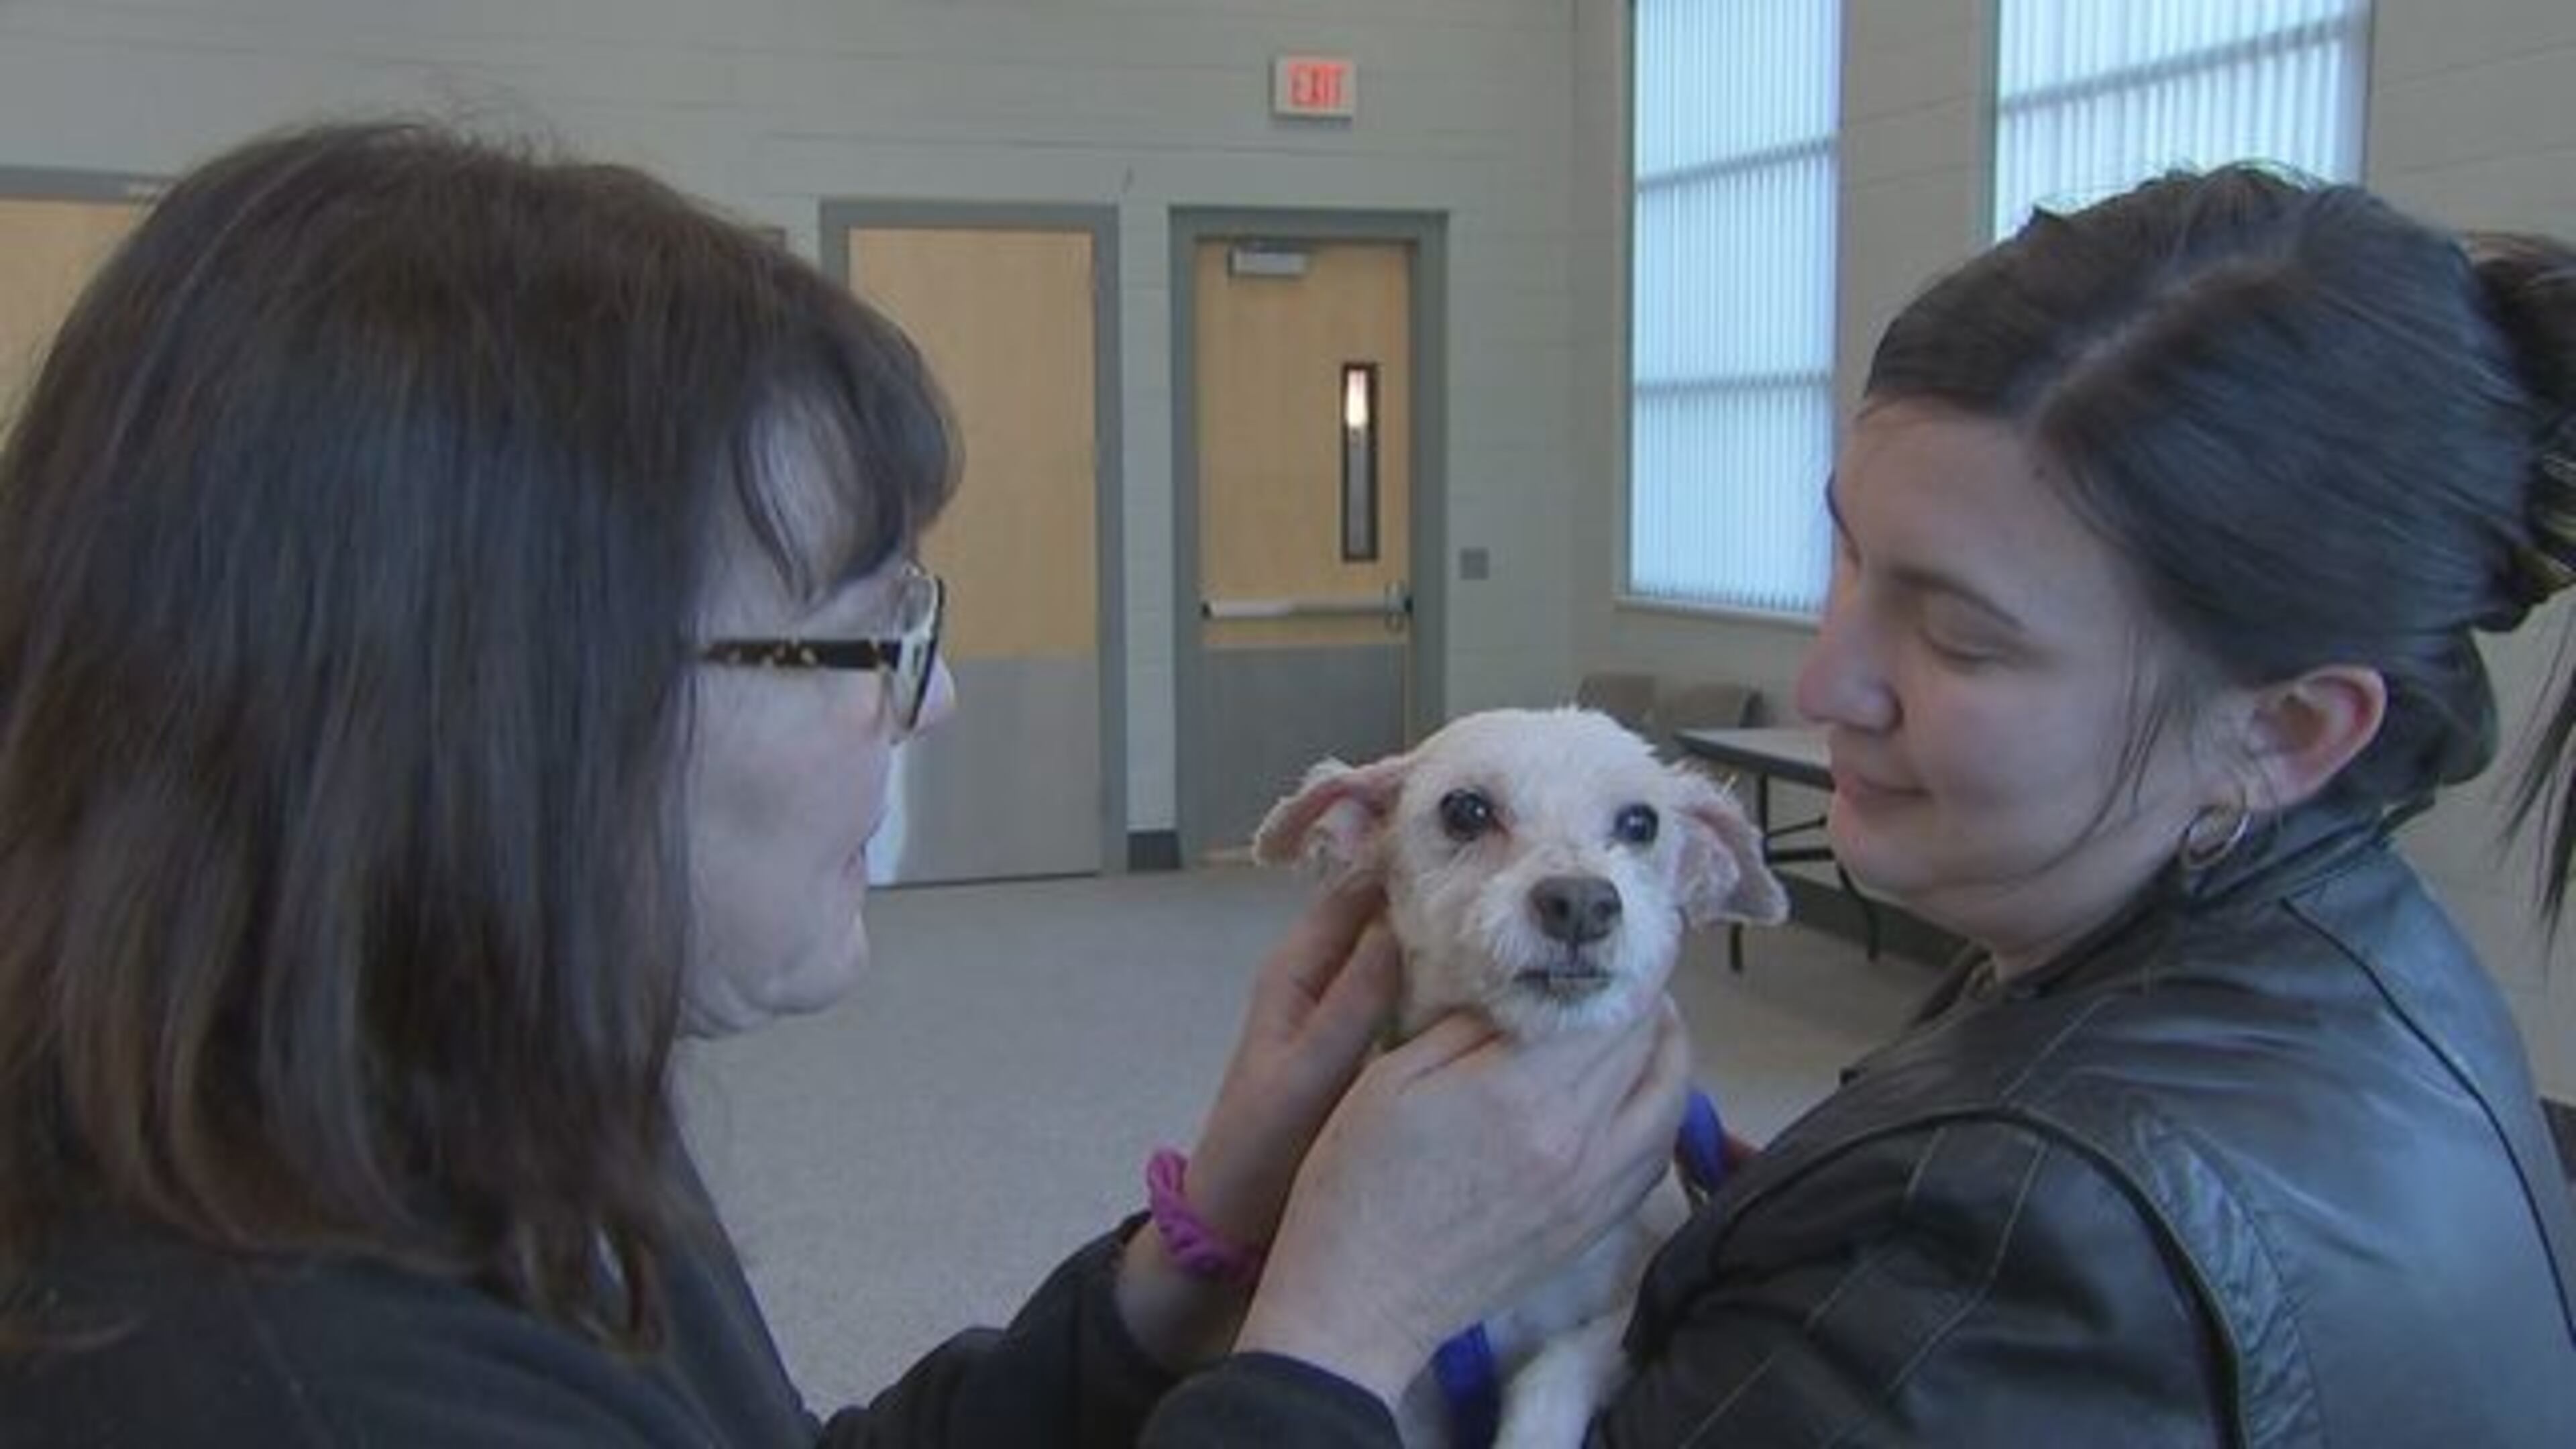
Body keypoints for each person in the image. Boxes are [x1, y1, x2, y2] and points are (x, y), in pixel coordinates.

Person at [0, 122, 1691, 1445]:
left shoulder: (488, 1111)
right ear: (506, 706)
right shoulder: (281, 1384)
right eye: (865, 633)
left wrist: (1203, 1258)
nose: (937, 698)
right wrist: (1339, 1336)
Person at [1585, 166, 2576, 1443]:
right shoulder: (2374, 951)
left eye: (1960, 635)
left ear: (2282, 730)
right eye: (1847, 556)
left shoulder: (2012, 1249)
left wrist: (1341, 1304)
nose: (1829, 680)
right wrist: (1779, 1251)